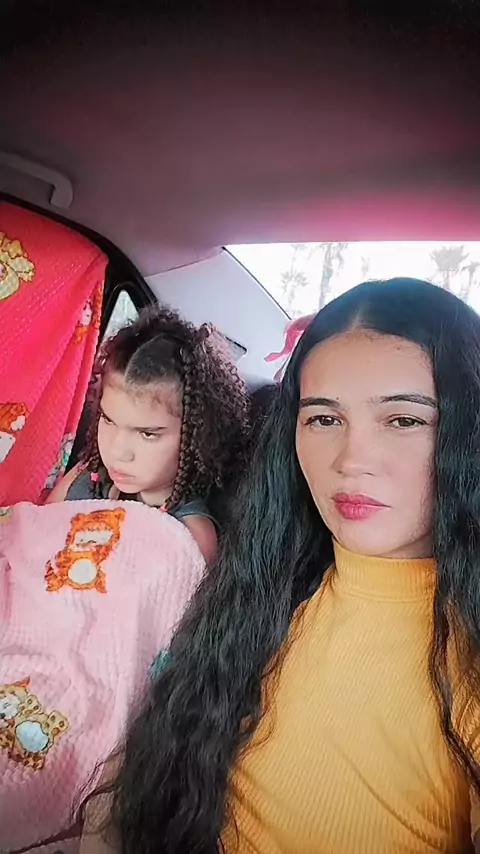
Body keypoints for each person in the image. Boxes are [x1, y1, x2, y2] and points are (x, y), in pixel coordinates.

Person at [85, 278, 480, 854]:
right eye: (324, 420)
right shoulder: (259, 589)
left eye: (403, 420)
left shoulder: (467, 662)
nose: (352, 460)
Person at [47, 305, 250, 562]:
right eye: (108, 420)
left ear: (198, 438)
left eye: (147, 434)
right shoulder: (83, 478)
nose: (118, 451)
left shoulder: (189, 537)